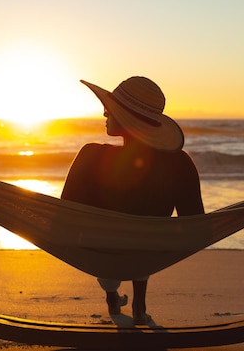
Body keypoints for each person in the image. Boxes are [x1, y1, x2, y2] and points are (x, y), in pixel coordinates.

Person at [61, 76, 205, 325]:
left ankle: (111, 294)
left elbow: (64, 217)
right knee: (143, 234)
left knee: (111, 234)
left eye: (111, 108)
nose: (104, 111)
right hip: (148, 256)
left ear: (127, 118)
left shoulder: (91, 156)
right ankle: (139, 304)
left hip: (100, 257)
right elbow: (195, 226)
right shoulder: (180, 164)